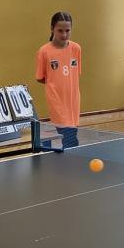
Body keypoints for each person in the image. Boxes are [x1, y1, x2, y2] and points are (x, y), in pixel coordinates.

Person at [35, 11, 83, 148]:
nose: (64, 34)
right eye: (60, 31)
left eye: (67, 30)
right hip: (56, 100)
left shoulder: (76, 48)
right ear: (52, 29)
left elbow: (75, 74)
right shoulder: (44, 51)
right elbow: (40, 78)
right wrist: (54, 84)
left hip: (73, 101)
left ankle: (60, 157)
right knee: (70, 139)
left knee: (71, 137)